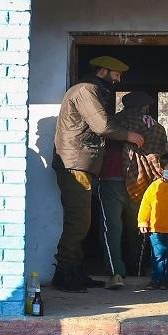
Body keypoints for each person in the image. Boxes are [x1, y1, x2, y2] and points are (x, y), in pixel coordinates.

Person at [51, 56, 145, 292]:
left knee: (82, 222)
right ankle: (64, 275)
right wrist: (130, 135)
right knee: (78, 222)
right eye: (116, 73)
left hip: (83, 164)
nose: (119, 78)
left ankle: (76, 271)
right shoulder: (86, 90)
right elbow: (102, 126)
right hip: (76, 164)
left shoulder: (91, 90)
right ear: (103, 70)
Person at [98, 91, 168, 289]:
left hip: (110, 177)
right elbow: (159, 151)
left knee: (111, 227)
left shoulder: (112, 122)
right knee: (139, 226)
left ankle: (116, 272)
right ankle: (136, 269)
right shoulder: (155, 126)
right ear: (146, 107)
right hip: (142, 181)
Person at [137, 154, 168, 290]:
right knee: (157, 256)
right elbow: (146, 204)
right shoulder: (155, 186)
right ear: (162, 170)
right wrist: (142, 221)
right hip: (156, 230)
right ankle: (156, 280)